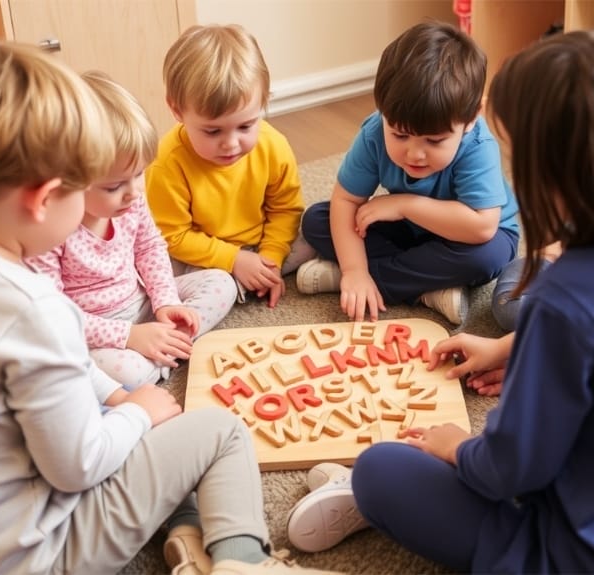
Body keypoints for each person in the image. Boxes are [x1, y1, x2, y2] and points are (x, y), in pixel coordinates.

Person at [285, 29, 594, 573]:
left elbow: (509, 470)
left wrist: (457, 446)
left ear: (554, 174)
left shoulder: (565, 300)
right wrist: (516, 345)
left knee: (378, 470)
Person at [0, 39, 341, 575]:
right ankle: (245, 564)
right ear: (43, 199)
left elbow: (53, 368)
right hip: (34, 553)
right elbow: (79, 465)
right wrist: (139, 410)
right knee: (219, 430)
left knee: (143, 425)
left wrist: (119, 396)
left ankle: (185, 534)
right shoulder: (31, 310)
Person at [296, 20, 520, 326]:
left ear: (471, 119)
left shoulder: (477, 146)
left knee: (487, 257)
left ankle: (367, 281)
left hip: (474, 234)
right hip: (412, 233)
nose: (414, 154)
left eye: (435, 140)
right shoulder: (375, 132)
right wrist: (355, 270)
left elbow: (481, 227)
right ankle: (427, 290)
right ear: (383, 113)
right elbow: (346, 200)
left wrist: (403, 205)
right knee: (317, 220)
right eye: (400, 135)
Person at [27, 71, 237, 390]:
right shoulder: (50, 233)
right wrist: (129, 337)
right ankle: (164, 353)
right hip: (95, 333)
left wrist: (165, 301)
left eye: (139, 174)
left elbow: (150, 248)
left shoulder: (131, 200)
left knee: (222, 282)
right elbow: (57, 317)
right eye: (113, 186)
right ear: (65, 182)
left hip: (141, 303)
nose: (134, 191)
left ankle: (167, 345)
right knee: (123, 376)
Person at [145, 24, 313, 309]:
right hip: (199, 255)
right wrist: (233, 260)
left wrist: (270, 258)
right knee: (208, 284)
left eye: (246, 126)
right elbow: (172, 236)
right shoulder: (167, 160)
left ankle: (256, 277)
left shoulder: (274, 145)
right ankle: (228, 288)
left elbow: (285, 209)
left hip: (259, 243)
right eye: (213, 132)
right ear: (177, 111)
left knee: (321, 228)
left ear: (263, 102)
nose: (231, 144)